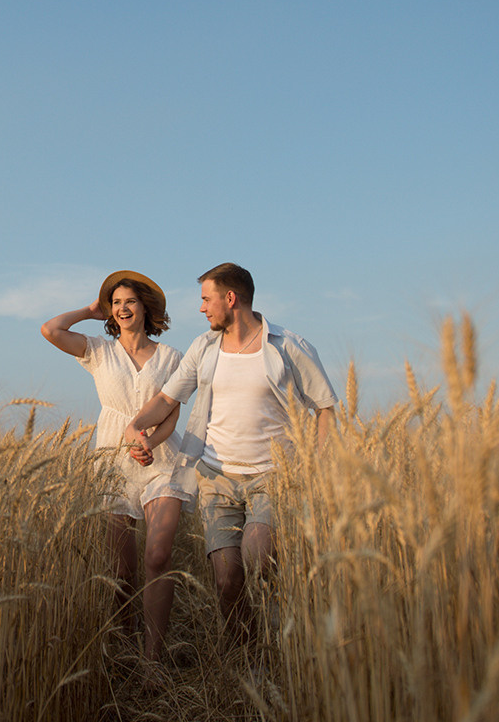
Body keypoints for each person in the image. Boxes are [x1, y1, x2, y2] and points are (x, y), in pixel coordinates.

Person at [126, 262, 336, 645]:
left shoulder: (288, 347)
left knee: (257, 559)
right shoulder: (204, 348)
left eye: (206, 299)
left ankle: (280, 638)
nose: (201, 308)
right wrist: (137, 426)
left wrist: (316, 466)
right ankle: (247, 655)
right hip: (216, 479)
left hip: (272, 476)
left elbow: (325, 408)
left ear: (230, 298)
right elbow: (167, 399)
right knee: (226, 580)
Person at [41, 270, 192, 664]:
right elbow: (51, 330)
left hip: (161, 459)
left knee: (157, 556)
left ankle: (152, 658)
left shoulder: (172, 357)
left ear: (145, 307)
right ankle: (124, 646)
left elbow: (171, 414)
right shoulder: (98, 351)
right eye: (116, 302)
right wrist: (90, 310)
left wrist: (149, 444)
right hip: (112, 461)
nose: (123, 308)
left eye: (130, 301)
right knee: (121, 570)